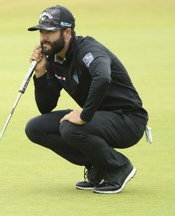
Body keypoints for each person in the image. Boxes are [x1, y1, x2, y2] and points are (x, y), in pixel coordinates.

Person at [25, 5, 149, 194]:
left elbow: (103, 77)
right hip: (100, 117)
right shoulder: (53, 59)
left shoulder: (88, 50)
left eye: (49, 32)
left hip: (128, 120)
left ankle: (119, 167)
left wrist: (84, 115)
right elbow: (46, 106)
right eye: (41, 31)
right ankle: (99, 165)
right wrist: (40, 72)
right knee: (35, 128)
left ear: (67, 33)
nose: (43, 37)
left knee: (70, 127)